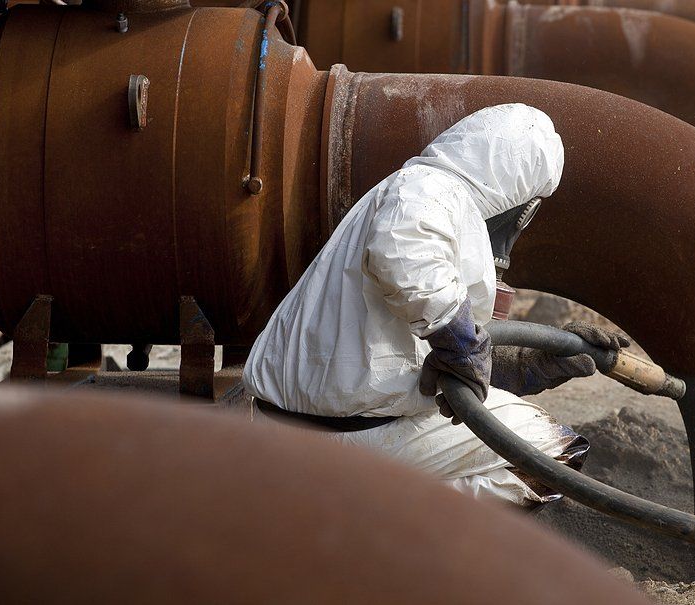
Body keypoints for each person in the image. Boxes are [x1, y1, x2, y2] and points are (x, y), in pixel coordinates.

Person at [244, 103, 629, 507]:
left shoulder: (426, 198)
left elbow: (421, 349)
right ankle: (368, 516)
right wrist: (462, 340)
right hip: (342, 430)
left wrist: (521, 363)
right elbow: (404, 255)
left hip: (316, 419)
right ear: (517, 184)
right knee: (554, 457)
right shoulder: (428, 190)